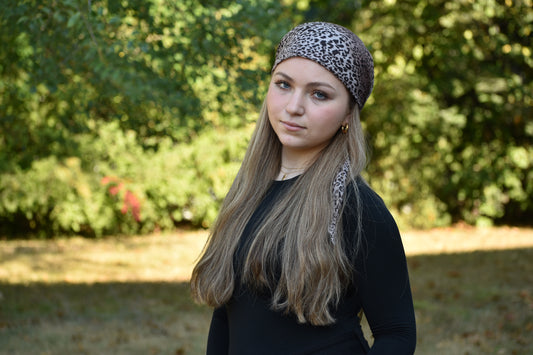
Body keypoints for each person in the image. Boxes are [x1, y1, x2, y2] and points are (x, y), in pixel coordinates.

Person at [190, 22, 416, 354]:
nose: (294, 106)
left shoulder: (357, 207)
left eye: (319, 94)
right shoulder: (248, 192)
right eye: (283, 85)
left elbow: (396, 333)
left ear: (348, 113)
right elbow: (227, 314)